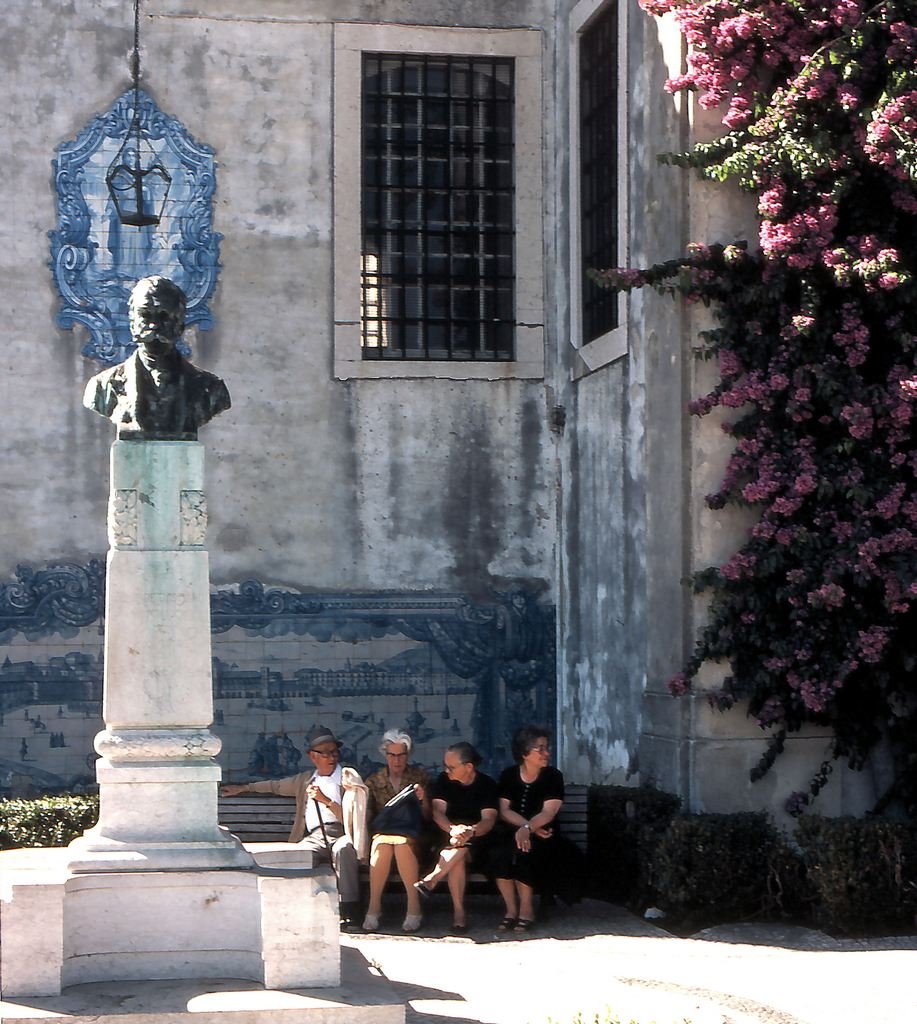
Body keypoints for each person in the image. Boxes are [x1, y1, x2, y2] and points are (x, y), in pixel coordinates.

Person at [221, 725, 368, 930]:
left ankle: (350, 911)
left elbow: (354, 819)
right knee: (299, 854)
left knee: (344, 850)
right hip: (315, 836)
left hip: (343, 832)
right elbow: (275, 785)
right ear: (313, 756)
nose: (331, 757)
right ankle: (296, 909)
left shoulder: (347, 779)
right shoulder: (306, 780)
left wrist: (326, 801)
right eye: (325, 753)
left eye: (334, 752)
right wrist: (244, 788)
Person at [83, 275, 231, 439]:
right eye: (145, 315)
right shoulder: (102, 386)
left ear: (180, 324)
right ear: (132, 322)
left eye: (163, 316)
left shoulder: (210, 389)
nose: (154, 325)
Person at [492, 725, 583, 933]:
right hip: (514, 832)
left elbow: (548, 812)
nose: (546, 753)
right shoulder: (508, 775)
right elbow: (504, 810)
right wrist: (526, 827)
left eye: (546, 748)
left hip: (546, 835)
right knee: (500, 855)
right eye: (540, 749)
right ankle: (510, 910)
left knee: (526, 852)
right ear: (525, 752)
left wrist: (530, 829)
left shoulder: (553, 776)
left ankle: (526, 910)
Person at [414, 741, 498, 933]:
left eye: (451, 767)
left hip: (478, 839)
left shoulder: (486, 785)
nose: (447, 770)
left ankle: (433, 880)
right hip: (447, 836)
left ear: (468, 767)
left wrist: (470, 831)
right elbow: (437, 812)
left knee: (462, 845)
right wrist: (453, 829)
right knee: (457, 855)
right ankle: (459, 912)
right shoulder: (444, 781)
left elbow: (488, 820)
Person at [362, 729, 432, 933]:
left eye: (401, 755)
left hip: (414, 834)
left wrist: (423, 798)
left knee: (401, 844)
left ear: (407, 755)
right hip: (384, 834)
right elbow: (367, 818)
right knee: (382, 844)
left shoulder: (419, 777)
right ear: (385, 755)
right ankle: (374, 908)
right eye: (392, 755)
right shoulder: (374, 780)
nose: (397, 760)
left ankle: (414, 907)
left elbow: (428, 817)